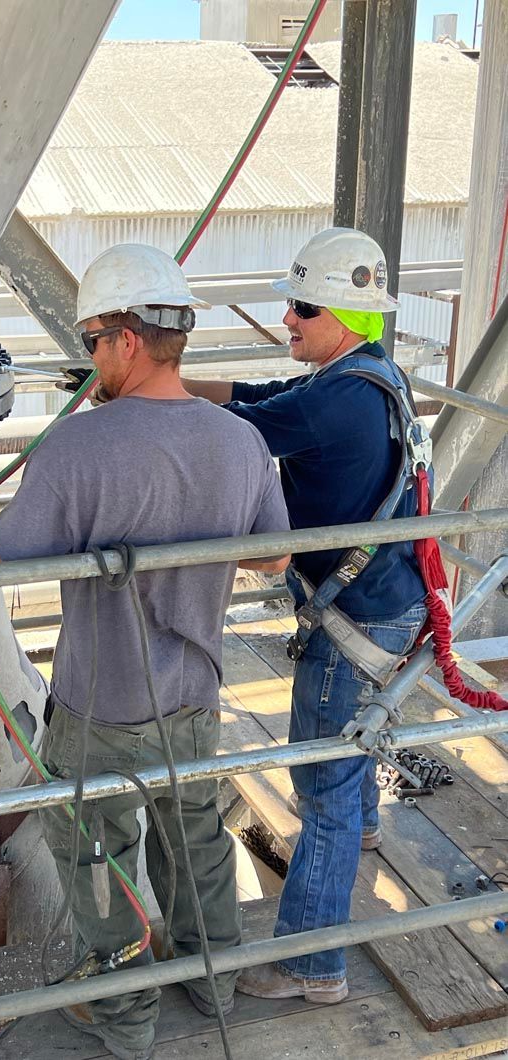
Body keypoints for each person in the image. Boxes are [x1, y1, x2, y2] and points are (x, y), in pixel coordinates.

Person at [0, 242, 291, 1060]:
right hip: (194, 693)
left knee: (93, 852)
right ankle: (212, 980)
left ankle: (125, 1016)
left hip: (99, 704)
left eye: (92, 341)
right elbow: (273, 557)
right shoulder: (240, 441)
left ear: (125, 339)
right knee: (195, 838)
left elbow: (2, 556)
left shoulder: (77, 447)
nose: (90, 358)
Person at [183, 227, 428, 1005]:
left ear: (346, 317)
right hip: (386, 600)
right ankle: (362, 826)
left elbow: (241, 429)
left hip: (353, 619)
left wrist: (146, 392)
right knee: (350, 753)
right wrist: (179, 382)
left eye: (302, 308)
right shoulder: (368, 375)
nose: (286, 318)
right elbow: (263, 399)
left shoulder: (336, 403)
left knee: (319, 791)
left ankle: (311, 966)